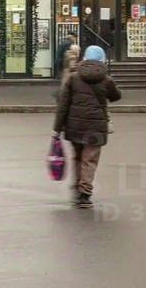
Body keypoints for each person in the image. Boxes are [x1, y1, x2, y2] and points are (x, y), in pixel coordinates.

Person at [53, 45, 121, 208]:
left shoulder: (73, 77)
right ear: (102, 60)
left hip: (75, 125)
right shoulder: (106, 79)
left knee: (77, 157)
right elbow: (116, 96)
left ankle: (76, 188)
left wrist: (57, 128)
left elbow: (63, 105)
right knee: (89, 160)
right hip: (96, 126)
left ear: (84, 58)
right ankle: (85, 194)